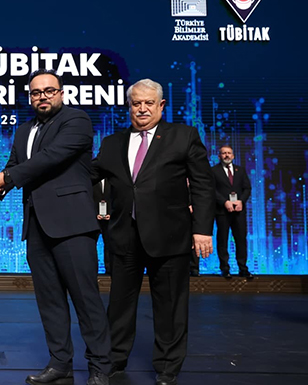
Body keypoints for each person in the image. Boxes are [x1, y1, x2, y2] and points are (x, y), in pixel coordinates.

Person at [0, 69, 111, 385]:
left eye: (49, 90)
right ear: (30, 97)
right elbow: (15, 166)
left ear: (61, 93)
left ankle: (100, 367)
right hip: (37, 225)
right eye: (36, 92)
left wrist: (8, 178)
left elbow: (52, 157)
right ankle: (59, 363)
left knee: (86, 299)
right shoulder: (23, 130)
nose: (43, 96)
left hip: (72, 224)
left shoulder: (76, 120)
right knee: (50, 300)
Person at [91, 78, 215, 385]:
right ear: (129, 106)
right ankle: (113, 360)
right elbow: (86, 175)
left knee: (170, 307)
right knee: (119, 306)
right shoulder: (112, 143)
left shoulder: (183, 136)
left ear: (161, 105)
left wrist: (202, 230)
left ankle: (168, 367)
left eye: (149, 103)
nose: (142, 109)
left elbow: (203, 185)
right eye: (136, 103)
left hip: (170, 237)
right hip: (124, 237)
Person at [212, 145, 253, 279]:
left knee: (241, 239)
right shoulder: (213, 171)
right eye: (224, 153)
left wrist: (241, 201)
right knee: (222, 240)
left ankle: (243, 268)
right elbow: (212, 190)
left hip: (239, 211)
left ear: (233, 156)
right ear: (219, 156)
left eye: (229, 153)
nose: (227, 155)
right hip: (222, 211)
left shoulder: (240, 170)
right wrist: (224, 202)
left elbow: (247, 188)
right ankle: (225, 268)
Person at [93, 180, 113, 274]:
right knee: (93, 244)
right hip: (95, 219)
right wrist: (95, 214)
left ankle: (109, 268)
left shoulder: (111, 181)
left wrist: (111, 213)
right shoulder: (92, 181)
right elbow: (89, 199)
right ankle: (93, 269)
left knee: (108, 244)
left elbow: (115, 198)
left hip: (109, 219)